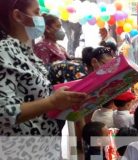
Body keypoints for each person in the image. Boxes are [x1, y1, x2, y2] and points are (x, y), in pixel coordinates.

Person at [0, 0, 87, 159]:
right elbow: (4, 111)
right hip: (23, 151)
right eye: (36, 12)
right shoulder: (4, 52)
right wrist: (52, 102)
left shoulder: (25, 51)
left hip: (45, 147)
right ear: (18, 16)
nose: (41, 17)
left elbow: (37, 95)